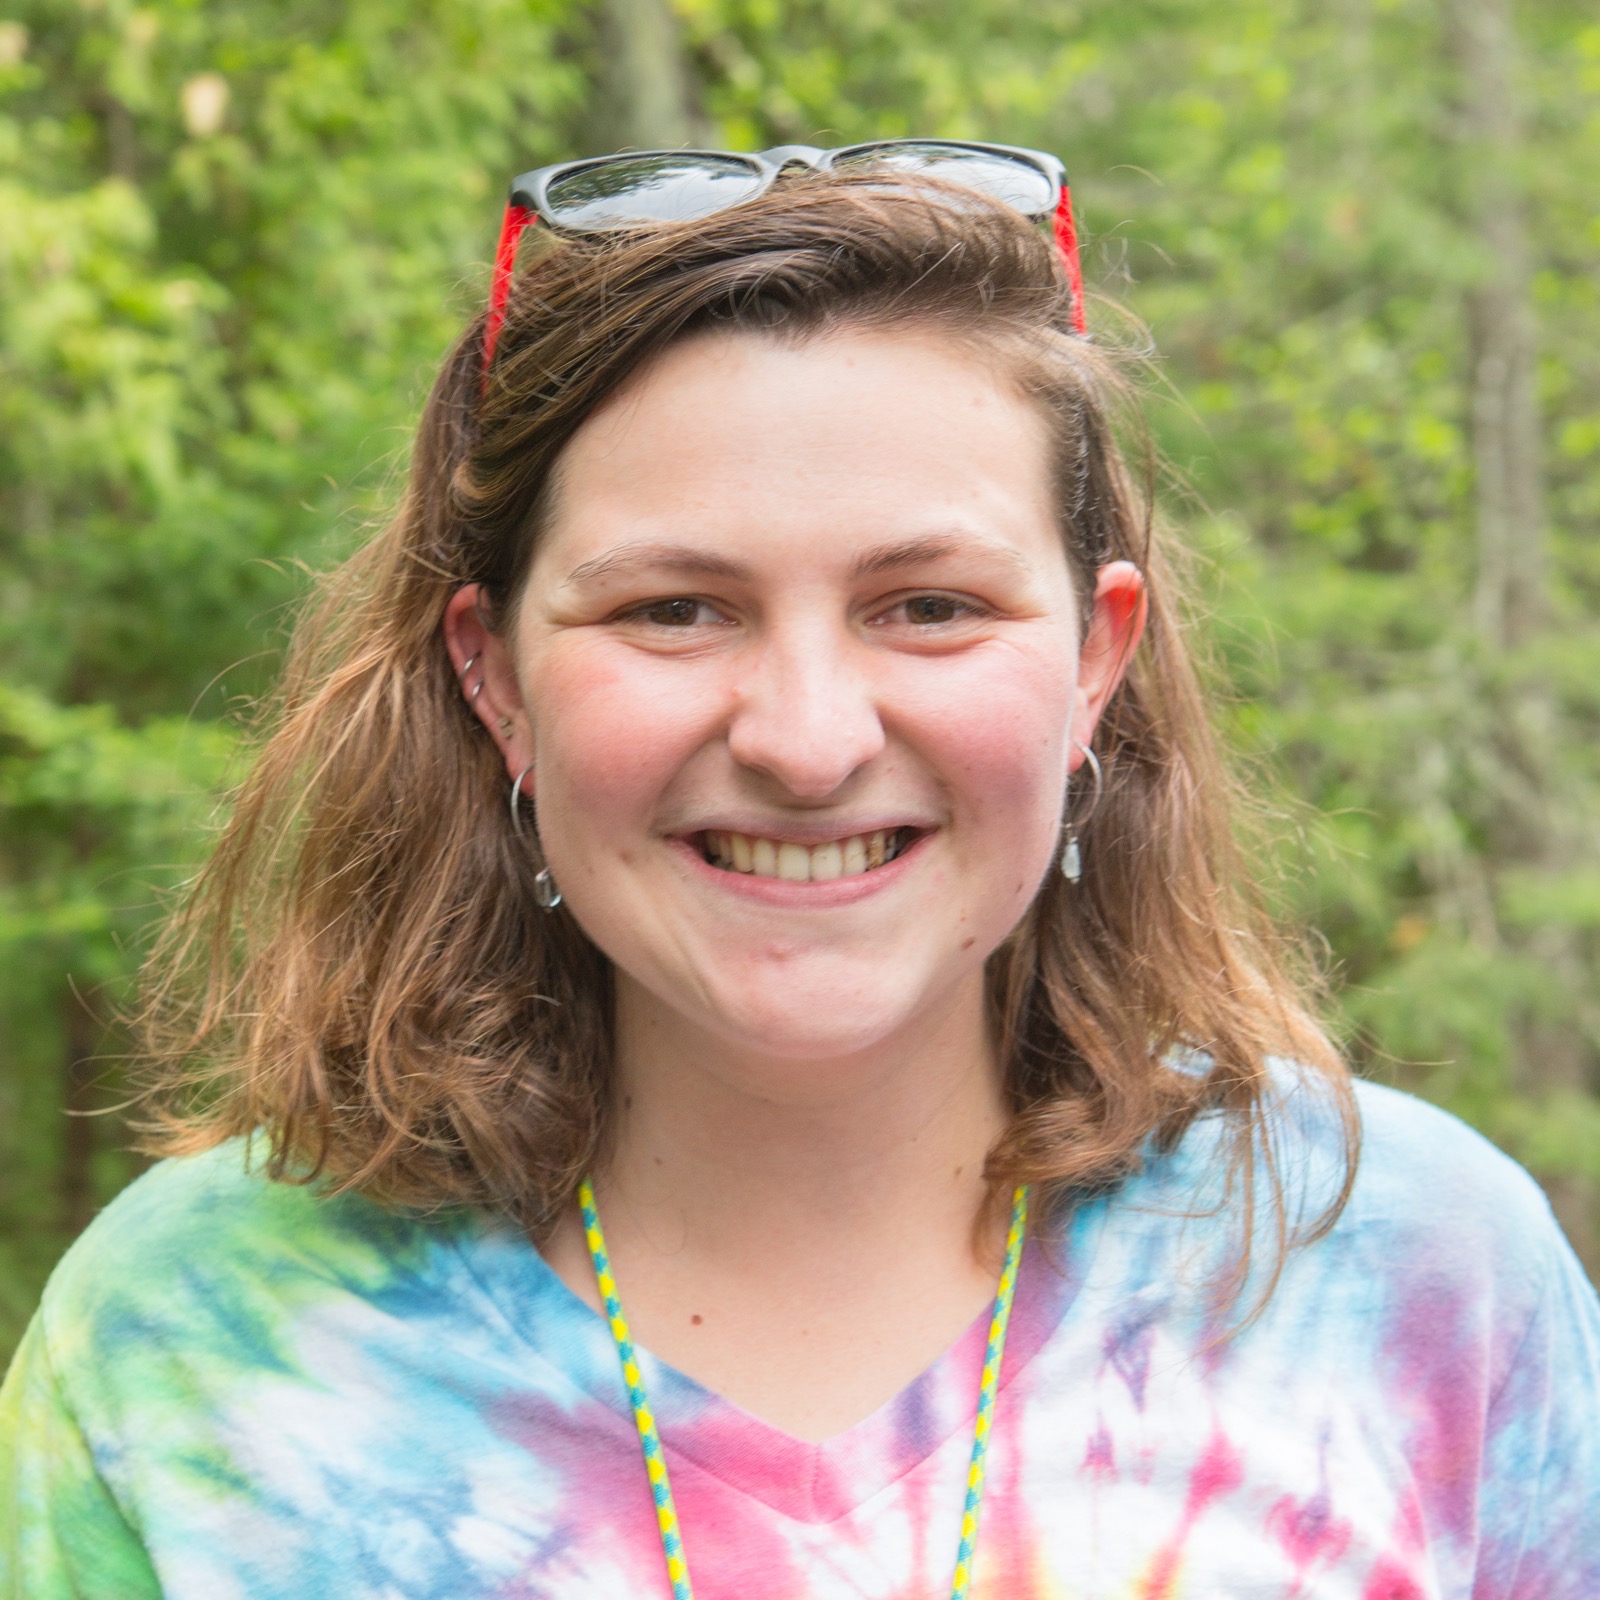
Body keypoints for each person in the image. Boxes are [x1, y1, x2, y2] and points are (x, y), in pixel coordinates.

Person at [2, 144, 1597, 1600]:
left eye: (930, 606)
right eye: (673, 610)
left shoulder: (1418, 1281)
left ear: (1094, 662)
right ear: (495, 680)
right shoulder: (183, 1349)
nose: (810, 741)